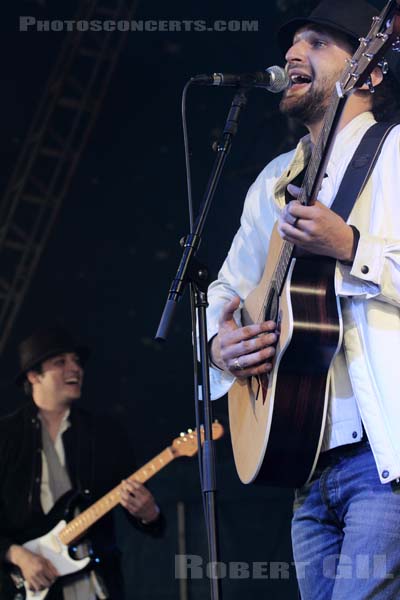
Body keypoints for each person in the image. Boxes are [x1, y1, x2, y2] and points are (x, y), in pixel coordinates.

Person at [206, 1, 400, 598]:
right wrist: (220, 346)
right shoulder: (272, 181)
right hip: (304, 460)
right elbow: (225, 287)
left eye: (318, 43)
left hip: (384, 457)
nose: (293, 53)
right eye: (293, 44)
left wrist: (352, 247)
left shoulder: (395, 155)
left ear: (367, 72)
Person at [0, 326, 164, 600]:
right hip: (25, 586)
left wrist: (150, 513)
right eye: (60, 362)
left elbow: (148, 521)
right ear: (33, 375)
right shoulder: (5, 436)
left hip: (96, 582)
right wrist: (18, 555)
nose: (74, 369)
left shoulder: (105, 434)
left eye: (76, 361)